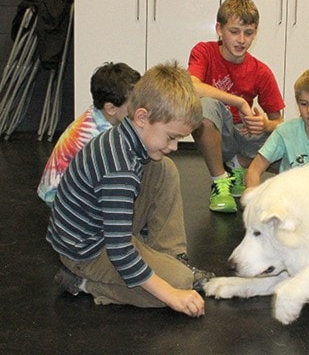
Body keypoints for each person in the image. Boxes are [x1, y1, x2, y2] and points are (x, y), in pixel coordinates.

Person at [47, 62, 210, 318]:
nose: (176, 146)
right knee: (178, 285)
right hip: (86, 251)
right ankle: (83, 283)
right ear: (142, 117)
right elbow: (120, 251)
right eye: (172, 137)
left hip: (100, 230)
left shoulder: (126, 138)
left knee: (163, 168)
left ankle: (172, 258)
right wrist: (171, 294)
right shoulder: (119, 169)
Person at [188, 0, 285, 213]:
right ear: (219, 29)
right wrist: (239, 102)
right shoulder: (204, 52)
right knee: (204, 106)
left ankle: (237, 167)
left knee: (291, 150)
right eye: (234, 31)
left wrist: (265, 125)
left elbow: (279, 121)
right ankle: (220, 182)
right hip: (218, 134)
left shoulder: (261, 71)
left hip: (245, 135)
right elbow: (191, 87)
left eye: (248, 33)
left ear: (255, 33)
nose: (241, 40)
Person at [37, 62, 141, 207]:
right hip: (61, 197)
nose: (139, 107)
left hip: (63, 187)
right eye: (134, 103)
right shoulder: (97, 137)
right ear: (111, 108)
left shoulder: (97, 115)